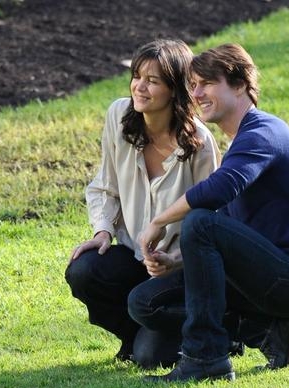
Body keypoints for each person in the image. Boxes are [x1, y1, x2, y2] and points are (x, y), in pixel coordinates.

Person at [138, 43, 289, 382]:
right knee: (145, 301)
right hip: (261, 277)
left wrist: (159, 220)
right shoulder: (239, 144)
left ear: (240, 85)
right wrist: (177, 261)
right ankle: (267, 330)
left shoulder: (264, 132)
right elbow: (227, 225)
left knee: (200, 222)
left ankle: (206, 360)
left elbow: (219, 190)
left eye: (207, 83)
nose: (196, 94)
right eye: (193, 85)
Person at [65, 38, 220, 369]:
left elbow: (212, 222)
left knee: (151, 358)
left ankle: (219, 332)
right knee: (84, 270)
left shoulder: (200, 144)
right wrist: (103, 231)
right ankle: (134, 336)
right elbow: (105, 186)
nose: (140, 87)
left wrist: (175, 261)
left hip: (178, 269)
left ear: (175, 90)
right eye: (137, 76)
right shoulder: (119, 116)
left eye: (153, 81)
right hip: (134, 256)